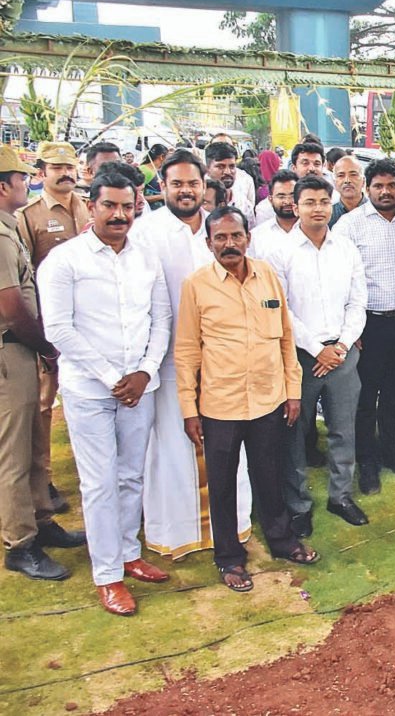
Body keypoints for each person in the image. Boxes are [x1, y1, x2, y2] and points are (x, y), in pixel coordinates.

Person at [40, 172, 172, 615]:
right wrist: (111, 376)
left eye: (127, 207)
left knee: (132, 475)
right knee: (98, 484)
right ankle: (107, 575)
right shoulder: (64, 260)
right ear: (91, 206)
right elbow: (58, 327)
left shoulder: (146, 257)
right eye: (110, 206)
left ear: (137, 207)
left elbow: (161, 320)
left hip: (139, 387)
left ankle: (129, 554)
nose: (119, 215)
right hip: (89, 390)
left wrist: (144, 371)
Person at [175, 206, 318, 593]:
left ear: (247, 238)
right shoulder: (196, 285)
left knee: (270, 475)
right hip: (220, 405)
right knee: (221, 485)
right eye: (220, 238)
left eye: (235, 235)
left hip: (269, 400)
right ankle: (229, 558)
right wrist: (189, 410)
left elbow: (286, 338)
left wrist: (293, 392)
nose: (229, 243)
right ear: (208, 244)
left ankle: (282, 540)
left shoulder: (267, 276)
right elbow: (187, 351)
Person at [130, 149, 253, 559]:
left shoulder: (219, 229)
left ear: (205, 187)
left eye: (193, 183)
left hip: (225, 358)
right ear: (161, 186)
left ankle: (229, 528)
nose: (186, 191)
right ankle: (177, 532)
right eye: (177, 183)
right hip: (168, 358)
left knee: (227, 443)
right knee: (172, 444)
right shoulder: (145, 232)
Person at [0, 147, 83, 582]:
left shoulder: (8, 225)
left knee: (34, 442)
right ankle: (20, 543)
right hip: (12, 348)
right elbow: (12, 308)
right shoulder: (2, 233)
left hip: (25, 347)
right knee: (12, 454)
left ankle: (40, 520)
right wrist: (49, 347)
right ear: (4, 185)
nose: (25, 182)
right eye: (20, 177)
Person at [269, 176, 368, 536]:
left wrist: (340, 346)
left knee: (344, 428)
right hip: (301, 357)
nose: (318, 208)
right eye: (309, 202)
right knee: (296, 433)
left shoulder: (346, 248)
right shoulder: (279, 253)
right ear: (295, 207)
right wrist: (317, 349)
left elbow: (358, 302)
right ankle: (298, 505)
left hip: (342, 355)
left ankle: (340, 495)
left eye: (324, 202)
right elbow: (282, 310)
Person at [334, 158, 395, 494]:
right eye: (378, 186)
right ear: (368, 189)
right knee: (365, 396)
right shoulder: (350, 225)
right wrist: (348, 331)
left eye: (391, 185)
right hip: (366, 325)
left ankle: (389, 452)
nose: (385, 192)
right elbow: (339, 280)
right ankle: (366, 461)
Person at [16, 142, 90, 518]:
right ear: (41, 171)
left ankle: (86, 472)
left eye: (70, 165)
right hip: (50, 327)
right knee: (44, 406)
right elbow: (24, 276)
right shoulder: (29, 216)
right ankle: (42, 479)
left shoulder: (88, 205)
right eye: (56, 166)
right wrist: (41, 335)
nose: (65, 172)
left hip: (91, 324)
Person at [250, 170, 300, 260]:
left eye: (293, 196)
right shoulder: (257, 236)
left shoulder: (313, 231)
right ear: (270, 199)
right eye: (281, 196)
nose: (288, 201)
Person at [204, 142, 255, 227]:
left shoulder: (243, 203)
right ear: (207, 169)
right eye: (220, 167)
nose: (227, 172)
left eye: (232, 166)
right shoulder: (198, 202)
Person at [329, 155, 367, 227]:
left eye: (353, 175)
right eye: (341, 175)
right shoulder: (328, 214)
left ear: (363, 181)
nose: (347, 180)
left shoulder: (376, 210)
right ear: (334, 182)